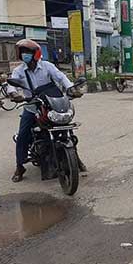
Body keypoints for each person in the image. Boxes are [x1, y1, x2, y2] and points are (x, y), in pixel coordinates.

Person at [9, 38, 81, 183]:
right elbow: (12, 84)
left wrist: (71, 88)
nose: (24, 55)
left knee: (67, 127)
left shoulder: (47, 66)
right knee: (23, 135)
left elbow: (61, 78)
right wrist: (14, 94)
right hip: (31, 106)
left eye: (27, 52)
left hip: (49, 105)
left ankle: (76, 159)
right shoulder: (19, 71)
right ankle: (19, 166)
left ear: (35, 54)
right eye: (22, 53)